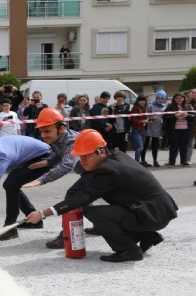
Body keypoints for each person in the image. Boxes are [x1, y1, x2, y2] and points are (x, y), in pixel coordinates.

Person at [25, 129, 178, 262]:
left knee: (96, 213)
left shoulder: (108, 172)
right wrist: (70, 198)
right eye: (80, 156)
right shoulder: (115, 156)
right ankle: (146, 236)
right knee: (100, 209)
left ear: (101, 151)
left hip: (153, 215)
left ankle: (129, 250)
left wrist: (43, 213)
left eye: (86, 156)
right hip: (157, 210)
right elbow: (78, 190)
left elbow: (83, 197)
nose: (82, 160)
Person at [21, 109, 80, 249]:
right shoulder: (58, 139)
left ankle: (66, 237)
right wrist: (47, 162)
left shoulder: (71, 140)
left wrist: (42, 180)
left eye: (47, 131)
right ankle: (98, 225)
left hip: (103, 174)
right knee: (82, 200)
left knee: (73, 197)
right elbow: (59, 154)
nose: (44, 135)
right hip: (91, 174)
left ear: (62, 128)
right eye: (41, 131)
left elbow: (67, 164)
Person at [164, 92, 194, 166]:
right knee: (174, 146)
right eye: (176, 98)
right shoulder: (170, 107)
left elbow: (193, 116)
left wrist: (187, 115)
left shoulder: (188, 106)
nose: (178, 99)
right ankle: (172, 162)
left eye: (180, 98)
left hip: (186, 129)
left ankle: (183, 161)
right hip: (174, 130)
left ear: (184, 99)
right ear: (174, 99)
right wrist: (175, 116)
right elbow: (165, 117)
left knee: (184, 146)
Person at [143, 91, 166, 167]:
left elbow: (165, 118)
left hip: (158, 127)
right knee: (145, 145)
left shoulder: (164, 107)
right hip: (148, 127)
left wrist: (163, 129)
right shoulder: (150, 106)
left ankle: (155, 161)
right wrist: (151, 117)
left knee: (155, 146)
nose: (160, 100)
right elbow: (145, 116)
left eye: (162, 98)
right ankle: (143, 160)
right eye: (158, 98)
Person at [130, 96, 150, 166]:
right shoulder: (135, 108)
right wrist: (141, 121)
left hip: (143, 130)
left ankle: (137, 162)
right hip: (136, 129)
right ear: (138, 101)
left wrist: (149, 119)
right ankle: (137, 163)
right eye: (140, 100)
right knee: (140, 147)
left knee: (141, 148)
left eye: (144, 100)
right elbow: (132, 119)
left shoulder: (144, 108)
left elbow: (145, 118)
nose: (142, 102)